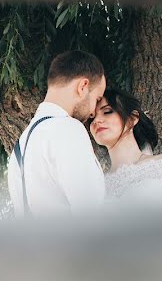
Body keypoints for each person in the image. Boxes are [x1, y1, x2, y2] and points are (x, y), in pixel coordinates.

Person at [8, 51, 107, 218]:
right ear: (82, 87)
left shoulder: (21, 146)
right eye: (97, 99)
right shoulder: (68, 129)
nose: (93, 113)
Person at [90, 89, 162, 207]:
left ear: (132, 118)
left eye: (107, 111)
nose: (96, 121)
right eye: (91, 118)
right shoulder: (98, 188)